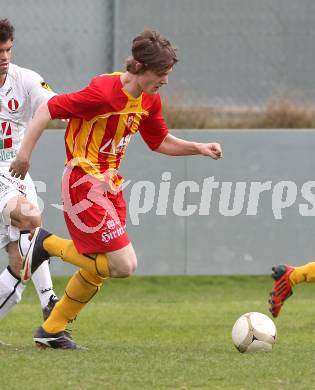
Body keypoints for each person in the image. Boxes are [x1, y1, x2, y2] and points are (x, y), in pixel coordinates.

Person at [10, 29, 223, 350]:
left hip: (109, 186)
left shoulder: (149, 98)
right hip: (82, 182)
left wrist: (199, 147)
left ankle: (51, 330)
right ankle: (47, 244)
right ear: (139, 67)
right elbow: (48, 110)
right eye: (161, 74)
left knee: (99, 266)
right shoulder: (103, 93)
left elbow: (160, 140)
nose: (165, 80)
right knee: (124, 265)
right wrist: (24, 154)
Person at [0, 19, 58, 324]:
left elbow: (54, 105)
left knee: (20, 261)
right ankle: (50, 301)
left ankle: (50, 305)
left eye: (8, 49)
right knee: (31, 218)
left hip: (15, 173)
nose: (4, 57)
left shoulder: (24, 79)